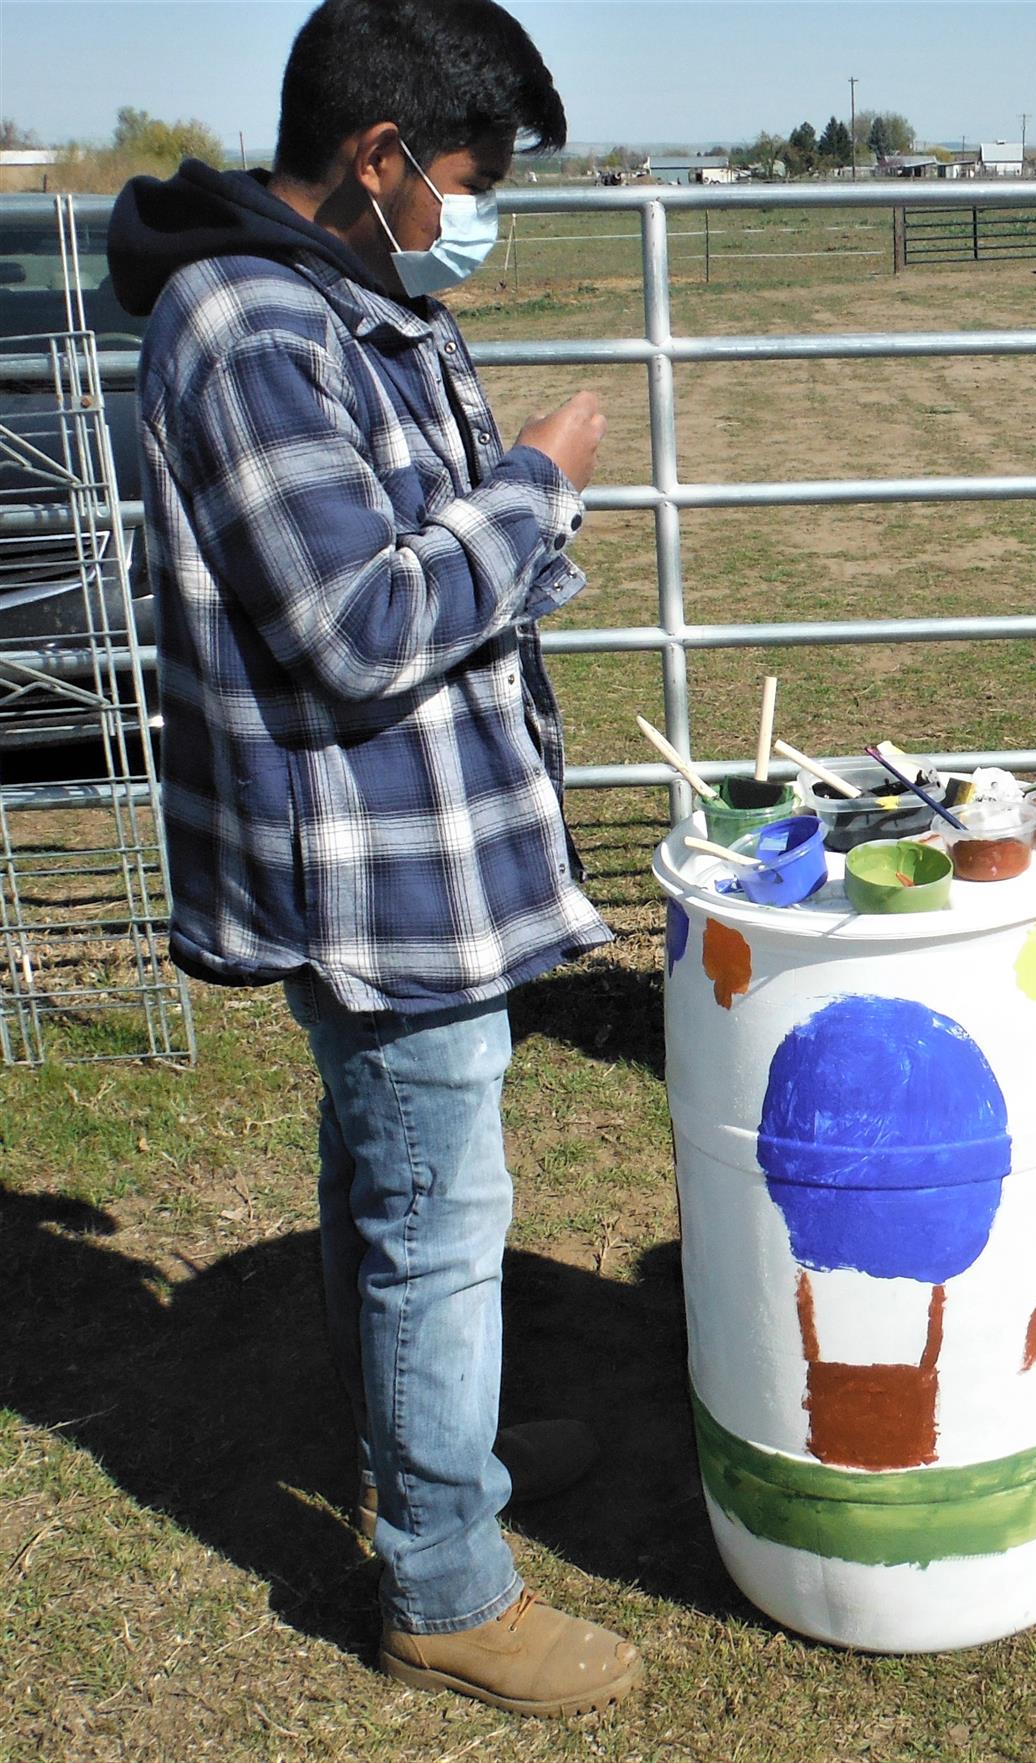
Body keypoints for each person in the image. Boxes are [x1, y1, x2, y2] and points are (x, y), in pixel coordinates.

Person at [107, 0, 640, 1719]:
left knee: (391, 1177)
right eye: (468, 183)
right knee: (434, 1211)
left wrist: (503, 515)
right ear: (381, 158)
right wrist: (540, 490)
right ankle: (443, 1576)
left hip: (421, 842)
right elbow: (358, 618)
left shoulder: (355, 295)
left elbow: (440, 552)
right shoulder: (249, 322)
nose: (476, 220)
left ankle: (433, 1452)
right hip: (371, 867)